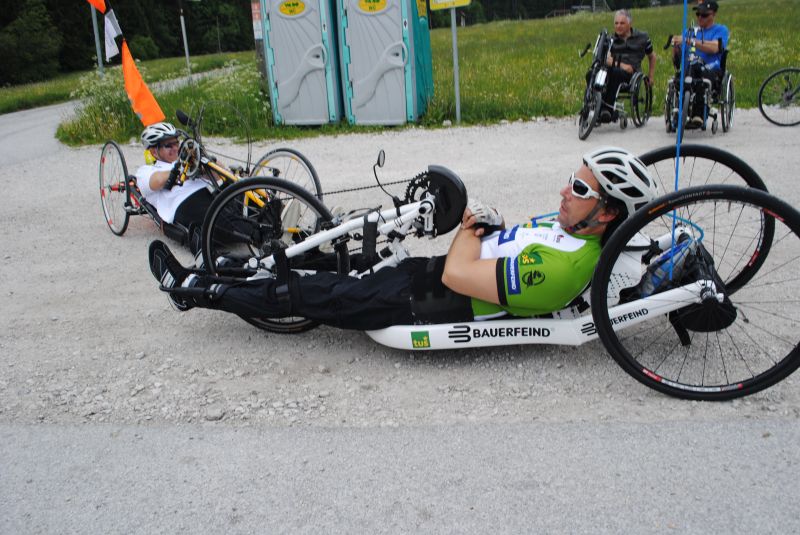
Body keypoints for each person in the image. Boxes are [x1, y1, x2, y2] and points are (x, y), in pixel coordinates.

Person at [147, 147, 659, 328]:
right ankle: (228, 267)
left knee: (300, 291)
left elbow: (459, 272)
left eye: (578, 189)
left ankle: (196, 291)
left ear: (608, 213)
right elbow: (499, 246)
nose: (564, 191)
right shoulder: (567, 230)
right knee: (327, 257)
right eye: (570, 180)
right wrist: (488, 226)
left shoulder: (564, 269)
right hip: (423, 276)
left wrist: (470, 227)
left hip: (421, 300)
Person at [136, 122, 211, 253]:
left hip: (209, 193)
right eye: (168, 145)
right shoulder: (146, 171)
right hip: (184, 203)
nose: (176, 148)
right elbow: (158, 180)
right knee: (222, 223)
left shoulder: (188, 160)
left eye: (176, 143)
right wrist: (186, 168)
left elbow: (221, 173)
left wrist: (205, 160)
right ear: (154, 152)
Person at [671, 0, 729, 126]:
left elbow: (715, 47)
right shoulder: (689, 31)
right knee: (681, 76)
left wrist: (691, 41)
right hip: (688, 69)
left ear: (713, 14)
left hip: (709, 68)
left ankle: (698, 114)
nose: (700, 18)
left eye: (704, 15)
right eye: (698, 14)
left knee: (698, 71)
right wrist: (675, 47)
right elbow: (677, 57)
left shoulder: (721, 30)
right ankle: (679, 111)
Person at [600, 9, 657, 123]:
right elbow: (606, 59)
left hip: (631, 74)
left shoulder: (642, 37)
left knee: (615, 73)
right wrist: (620, 65)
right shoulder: (611, 39)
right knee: (593, 73)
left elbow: (652, 56)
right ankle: (592, 107)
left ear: (629, 24)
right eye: (616, 23)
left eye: (622, 23)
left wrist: (651, 76)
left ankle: (607, 109)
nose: (618, 26)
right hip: (614, 69)